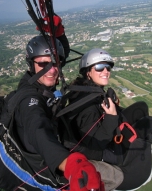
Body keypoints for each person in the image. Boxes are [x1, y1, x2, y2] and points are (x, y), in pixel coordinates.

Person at [61, 48, 152, 190]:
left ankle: (150, 140)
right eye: (100, 67)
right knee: (150, 123)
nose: (106, 71)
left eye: (107, 67)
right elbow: (97, 144)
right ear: (87, 72)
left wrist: (115, 112)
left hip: (105, 131)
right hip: (106, 151)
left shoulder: (87, 89)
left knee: (141, 106)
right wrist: (112, 117)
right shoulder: (87, 106)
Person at [12, 36, 102, 191]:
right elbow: (37, 130)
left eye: (56, 63)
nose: (52, 70)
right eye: (44, 64)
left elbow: (61, 54)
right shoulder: (29, 99)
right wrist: (71, 166)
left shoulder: (38, 82)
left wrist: (59, 34)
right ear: (31, 64)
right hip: (44, 160)